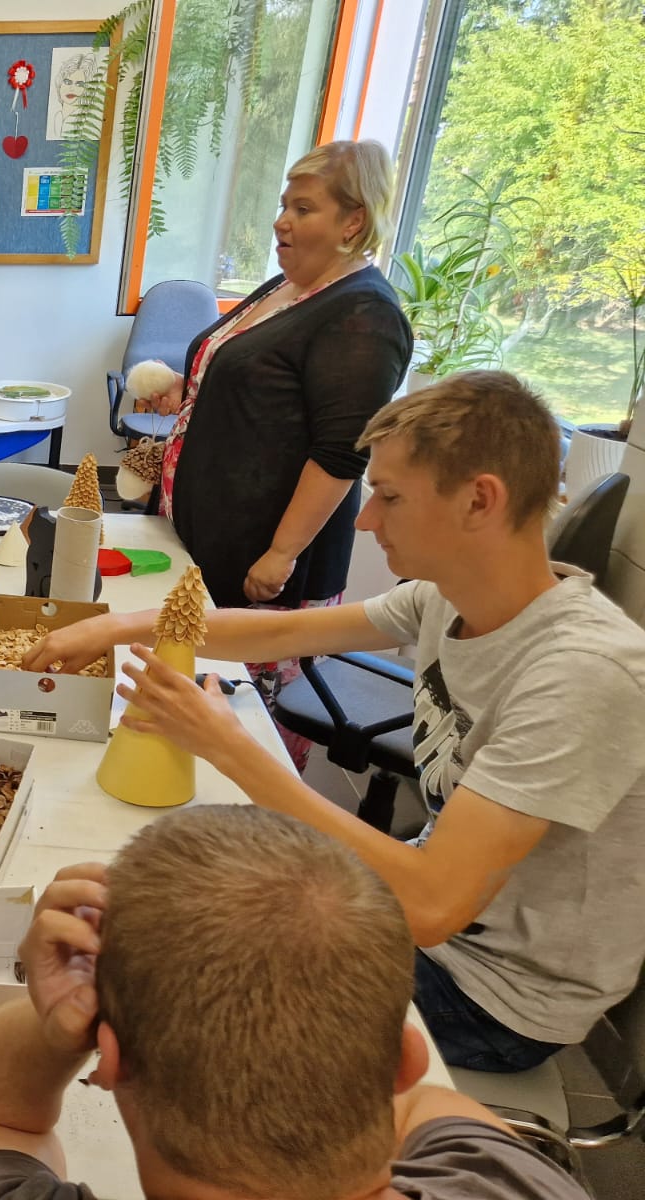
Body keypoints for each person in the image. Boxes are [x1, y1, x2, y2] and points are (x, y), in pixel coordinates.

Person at [23, 372, 645, 1073]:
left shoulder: (583, 673)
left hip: (489, 995)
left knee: (164, 979)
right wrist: (112, 626)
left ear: (480, 500)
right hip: (419, 920)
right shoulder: (447, 597)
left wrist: (224, 742)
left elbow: (432, 906)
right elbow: (278, 633)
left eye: (390, 497)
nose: (365, 520)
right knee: (163, 894)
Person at [0, 806, 589, 1200]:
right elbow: (423, 1104)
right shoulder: (507, 1179)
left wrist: (63, 1022)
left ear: (110, 1058)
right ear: (407, 1059)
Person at [145, 140, 412, 769]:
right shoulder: (289, 285)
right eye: (284, 205)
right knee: (190, 698)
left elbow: (340, 452)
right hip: (208, 534)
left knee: (242, 731)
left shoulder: (364, 316)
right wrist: (188, 388)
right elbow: (259, 386)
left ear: (353, 221)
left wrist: (281, 553)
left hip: (265, 561)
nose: (281, 222)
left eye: (304, 208)